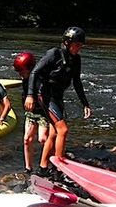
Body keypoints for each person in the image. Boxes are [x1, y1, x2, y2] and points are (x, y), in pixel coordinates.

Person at [24, 27, 93, 176]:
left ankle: (43, 168)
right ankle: (59, 167)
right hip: (45, 95)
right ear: (67, 42)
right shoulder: (54, 54)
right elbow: (35, 72)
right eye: (77, 45)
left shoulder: (76, 59)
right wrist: (30, 95)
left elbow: (77, 82)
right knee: (63, 129)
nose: (79, 48)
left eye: (81, 46)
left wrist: (85, 104)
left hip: (58, 97)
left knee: (54, 133)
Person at [14, 52, 48, 174]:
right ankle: (28, 168)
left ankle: (47, 164)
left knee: (42, 139)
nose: (20, 74)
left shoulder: (39, 80)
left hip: (42, 113)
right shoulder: (25, 79)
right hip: (31, 113)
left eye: (21, 71)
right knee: (27, 139)